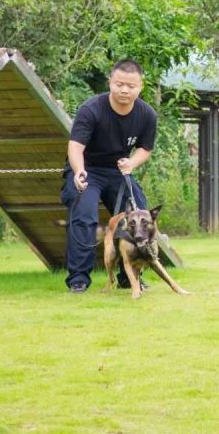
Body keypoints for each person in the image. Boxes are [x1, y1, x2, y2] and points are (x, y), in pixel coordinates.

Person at [61, 59, 157, 293]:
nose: (124, 90)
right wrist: (79, 170)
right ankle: (79, 280)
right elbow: (75, 147)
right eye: (119, 84)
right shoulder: (91, 109)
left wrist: (132, 162)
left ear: (140, 87)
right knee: (85, 216)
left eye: (131, 86)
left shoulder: (146, 114)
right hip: (87, 170)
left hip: (118, 172)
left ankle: (130, 276)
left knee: (140, 215)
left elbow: (145, 149)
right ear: (110, 82)